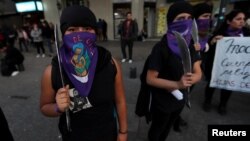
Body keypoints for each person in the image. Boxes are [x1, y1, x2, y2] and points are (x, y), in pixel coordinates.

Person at [40, 5, 127, 141]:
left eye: (87, 28)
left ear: (95, 32)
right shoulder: (53, 71)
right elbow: (44, 107)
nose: (79, 35)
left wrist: (123, 133)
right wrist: (58, 107)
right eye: (72, 29)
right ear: (63, 34)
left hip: (107, 134)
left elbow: (120, 101)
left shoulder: (110, 63)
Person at [146, 1, 202, 141]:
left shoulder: (189, 45)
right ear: (171, 22)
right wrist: (177, 84)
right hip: (163, 101)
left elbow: (198, 71)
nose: (186, 22)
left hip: (180, 100)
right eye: (180, 18)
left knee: (168, 128)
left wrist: (194, 78)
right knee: (157, 129)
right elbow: (150, 79)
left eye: (189, 18)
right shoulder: (161, 48)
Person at [173, 2, 213, 133]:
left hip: (194, 73)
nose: (208, 19)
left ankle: (176, 115)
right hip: (182, 73)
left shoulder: (206, 33)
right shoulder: (186, 32)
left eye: (209, 16)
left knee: (184, 95)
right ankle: (174, 117)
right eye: (205, 16)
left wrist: (210, 43)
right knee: (178, 95)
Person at [203, 9, 250, 115]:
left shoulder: (246, 34)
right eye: (238, 19)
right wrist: (212, 42)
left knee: (229, 86)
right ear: (229, 21)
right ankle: (207, 101)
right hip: (218, 65)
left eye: (244, 19)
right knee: (212, 84)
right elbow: (207, 50)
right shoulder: (220, 34)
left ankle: (223, 104)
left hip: (236, 67)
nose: (242, 21)